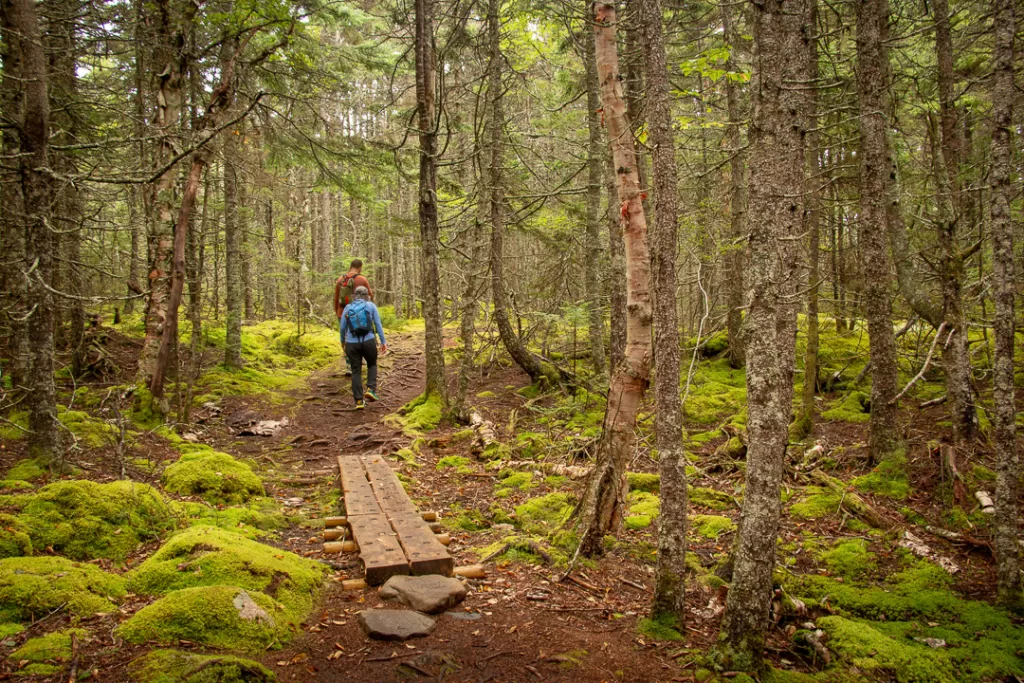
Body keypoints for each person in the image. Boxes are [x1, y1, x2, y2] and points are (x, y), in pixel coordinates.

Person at [339, 286, 387, 409]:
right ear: (366, 295)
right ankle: (371, 389)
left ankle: (359, 401)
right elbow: (378, 324)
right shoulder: (371, 306)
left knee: (356, 370)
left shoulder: (348, 308)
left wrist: (342, 342)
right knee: (372, 364)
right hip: (369, 341)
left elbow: (342, 328)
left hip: (352, 343)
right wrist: (383, 341)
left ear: (354, 295)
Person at [335, 260, 373, 376]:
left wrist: (337, 311)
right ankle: (361, 360)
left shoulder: (340, 279)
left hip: (342, 313)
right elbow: (370, 296)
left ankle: (349, 365)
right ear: (360, 267)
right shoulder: (362, 279)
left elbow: (336, 298)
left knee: (347, 338)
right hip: (360, 313)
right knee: (361, 335)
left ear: (350, 266)